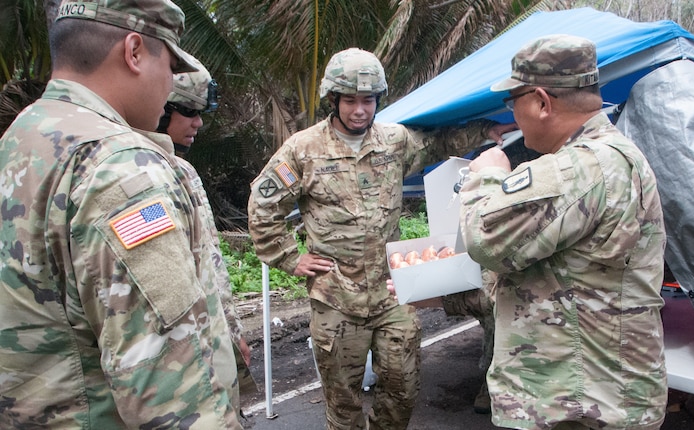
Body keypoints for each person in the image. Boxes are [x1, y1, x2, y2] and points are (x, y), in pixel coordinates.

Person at [0, 1, 244, 428]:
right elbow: (169, 385)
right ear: (134, 51)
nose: (170, 83)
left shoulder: (20, 138)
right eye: (169, 65)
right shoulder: (118, 167)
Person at [247, 47, 516, 430]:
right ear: (333, 100)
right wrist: (289, 258)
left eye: (369, 100)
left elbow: (438, 142)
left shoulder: (394, 140)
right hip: (336, 299)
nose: (360, 110)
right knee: (344, 405)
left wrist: (485, 131)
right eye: (352, 100)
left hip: (393, 293)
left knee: (404, 392)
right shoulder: (303, 150)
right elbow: (263, 204)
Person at [459, 34, 667, 429]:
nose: (514, 115)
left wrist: (487, 175)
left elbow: (484, 239)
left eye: (513, 102)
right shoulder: (617, 154)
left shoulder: (576, 169)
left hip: (575, 404)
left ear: (540, 102)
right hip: (602, 393)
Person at [156, 53, 257, 404]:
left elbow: (211, 266)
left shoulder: (180, 170)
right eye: (190, 111)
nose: (198, 123)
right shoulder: (147, 172)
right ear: (163, 107)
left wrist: (232, 334)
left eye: (201, 113)